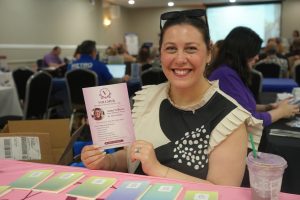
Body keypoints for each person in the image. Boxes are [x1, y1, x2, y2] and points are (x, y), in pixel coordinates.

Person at [81, 9, 262, 186]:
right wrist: (108, 161)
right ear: (160, 55)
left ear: (208, 53)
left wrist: (157, 169)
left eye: (191, 49)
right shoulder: (144, 99)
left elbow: (224, 193)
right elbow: (132, 158)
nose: (180, 58)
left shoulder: (230, 119)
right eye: (171, 49)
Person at [206, 26, 299, 127]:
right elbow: (249, 120)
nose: (257, 57)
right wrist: (281, 112)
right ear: (243, 52)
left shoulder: (229, 72)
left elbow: (241, 107)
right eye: (254, 52)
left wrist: (268, 107)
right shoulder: (224, 75)